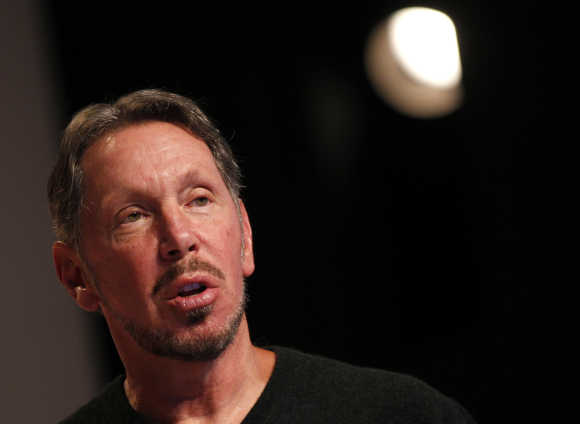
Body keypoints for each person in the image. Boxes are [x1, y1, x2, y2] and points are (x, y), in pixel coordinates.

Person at [48, 89, 476, 423]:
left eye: (199, 199)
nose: (179, 237)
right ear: (76, 276)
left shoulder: (402, 415)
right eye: (134, 216)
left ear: (246, 237)